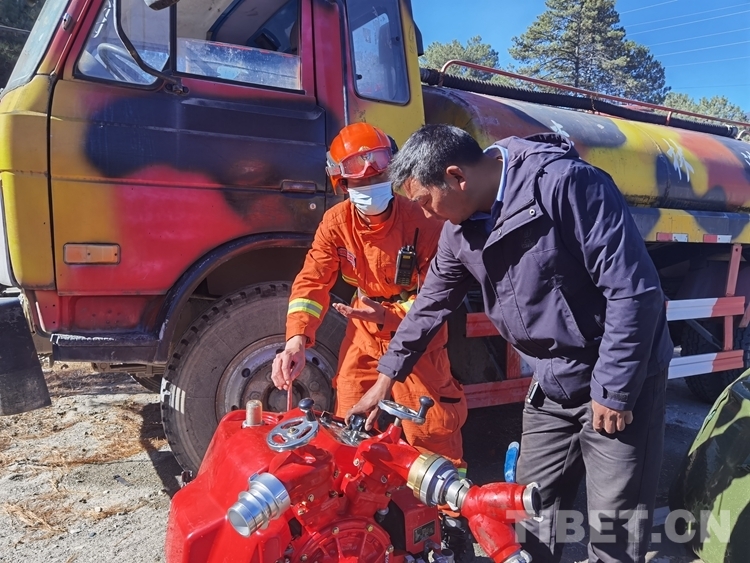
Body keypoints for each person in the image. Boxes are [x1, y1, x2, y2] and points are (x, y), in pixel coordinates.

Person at [348, 124, 673, 563]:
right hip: (552, 383)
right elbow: (428, 307)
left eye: (425, 200)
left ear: (456, 177)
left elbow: (633, 291)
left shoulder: (566, 185)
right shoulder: (459, 233)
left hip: (617, 379)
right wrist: (385, 380)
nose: (426, 214)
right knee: (529, 514)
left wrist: (614, 390)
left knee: (615, 530)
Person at [271, 122, 468, 473]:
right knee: (349, 421)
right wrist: (295, 341)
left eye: (378, 178)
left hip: (417, 338)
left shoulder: (423, 218)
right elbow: (312, 282)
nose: (369, 188)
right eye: (359, 183)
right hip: (363, 334)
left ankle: (444, 501)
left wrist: (388, 316)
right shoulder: (336, 223)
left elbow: (435, 298)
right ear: (342, 183)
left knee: (431, 429)